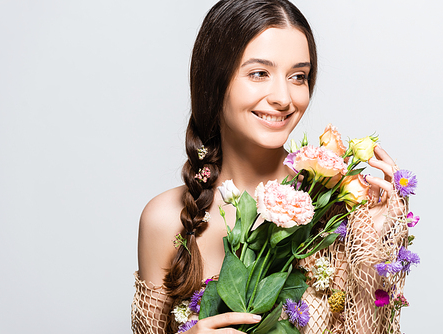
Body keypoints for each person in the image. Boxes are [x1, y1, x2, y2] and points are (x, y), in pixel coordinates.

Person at [132, 1, 409, 333]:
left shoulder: (339, 211)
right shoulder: (165, 220)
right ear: (214, 80)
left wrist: (372, 247)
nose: (283, 97)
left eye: (298, 76)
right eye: (259, 73)